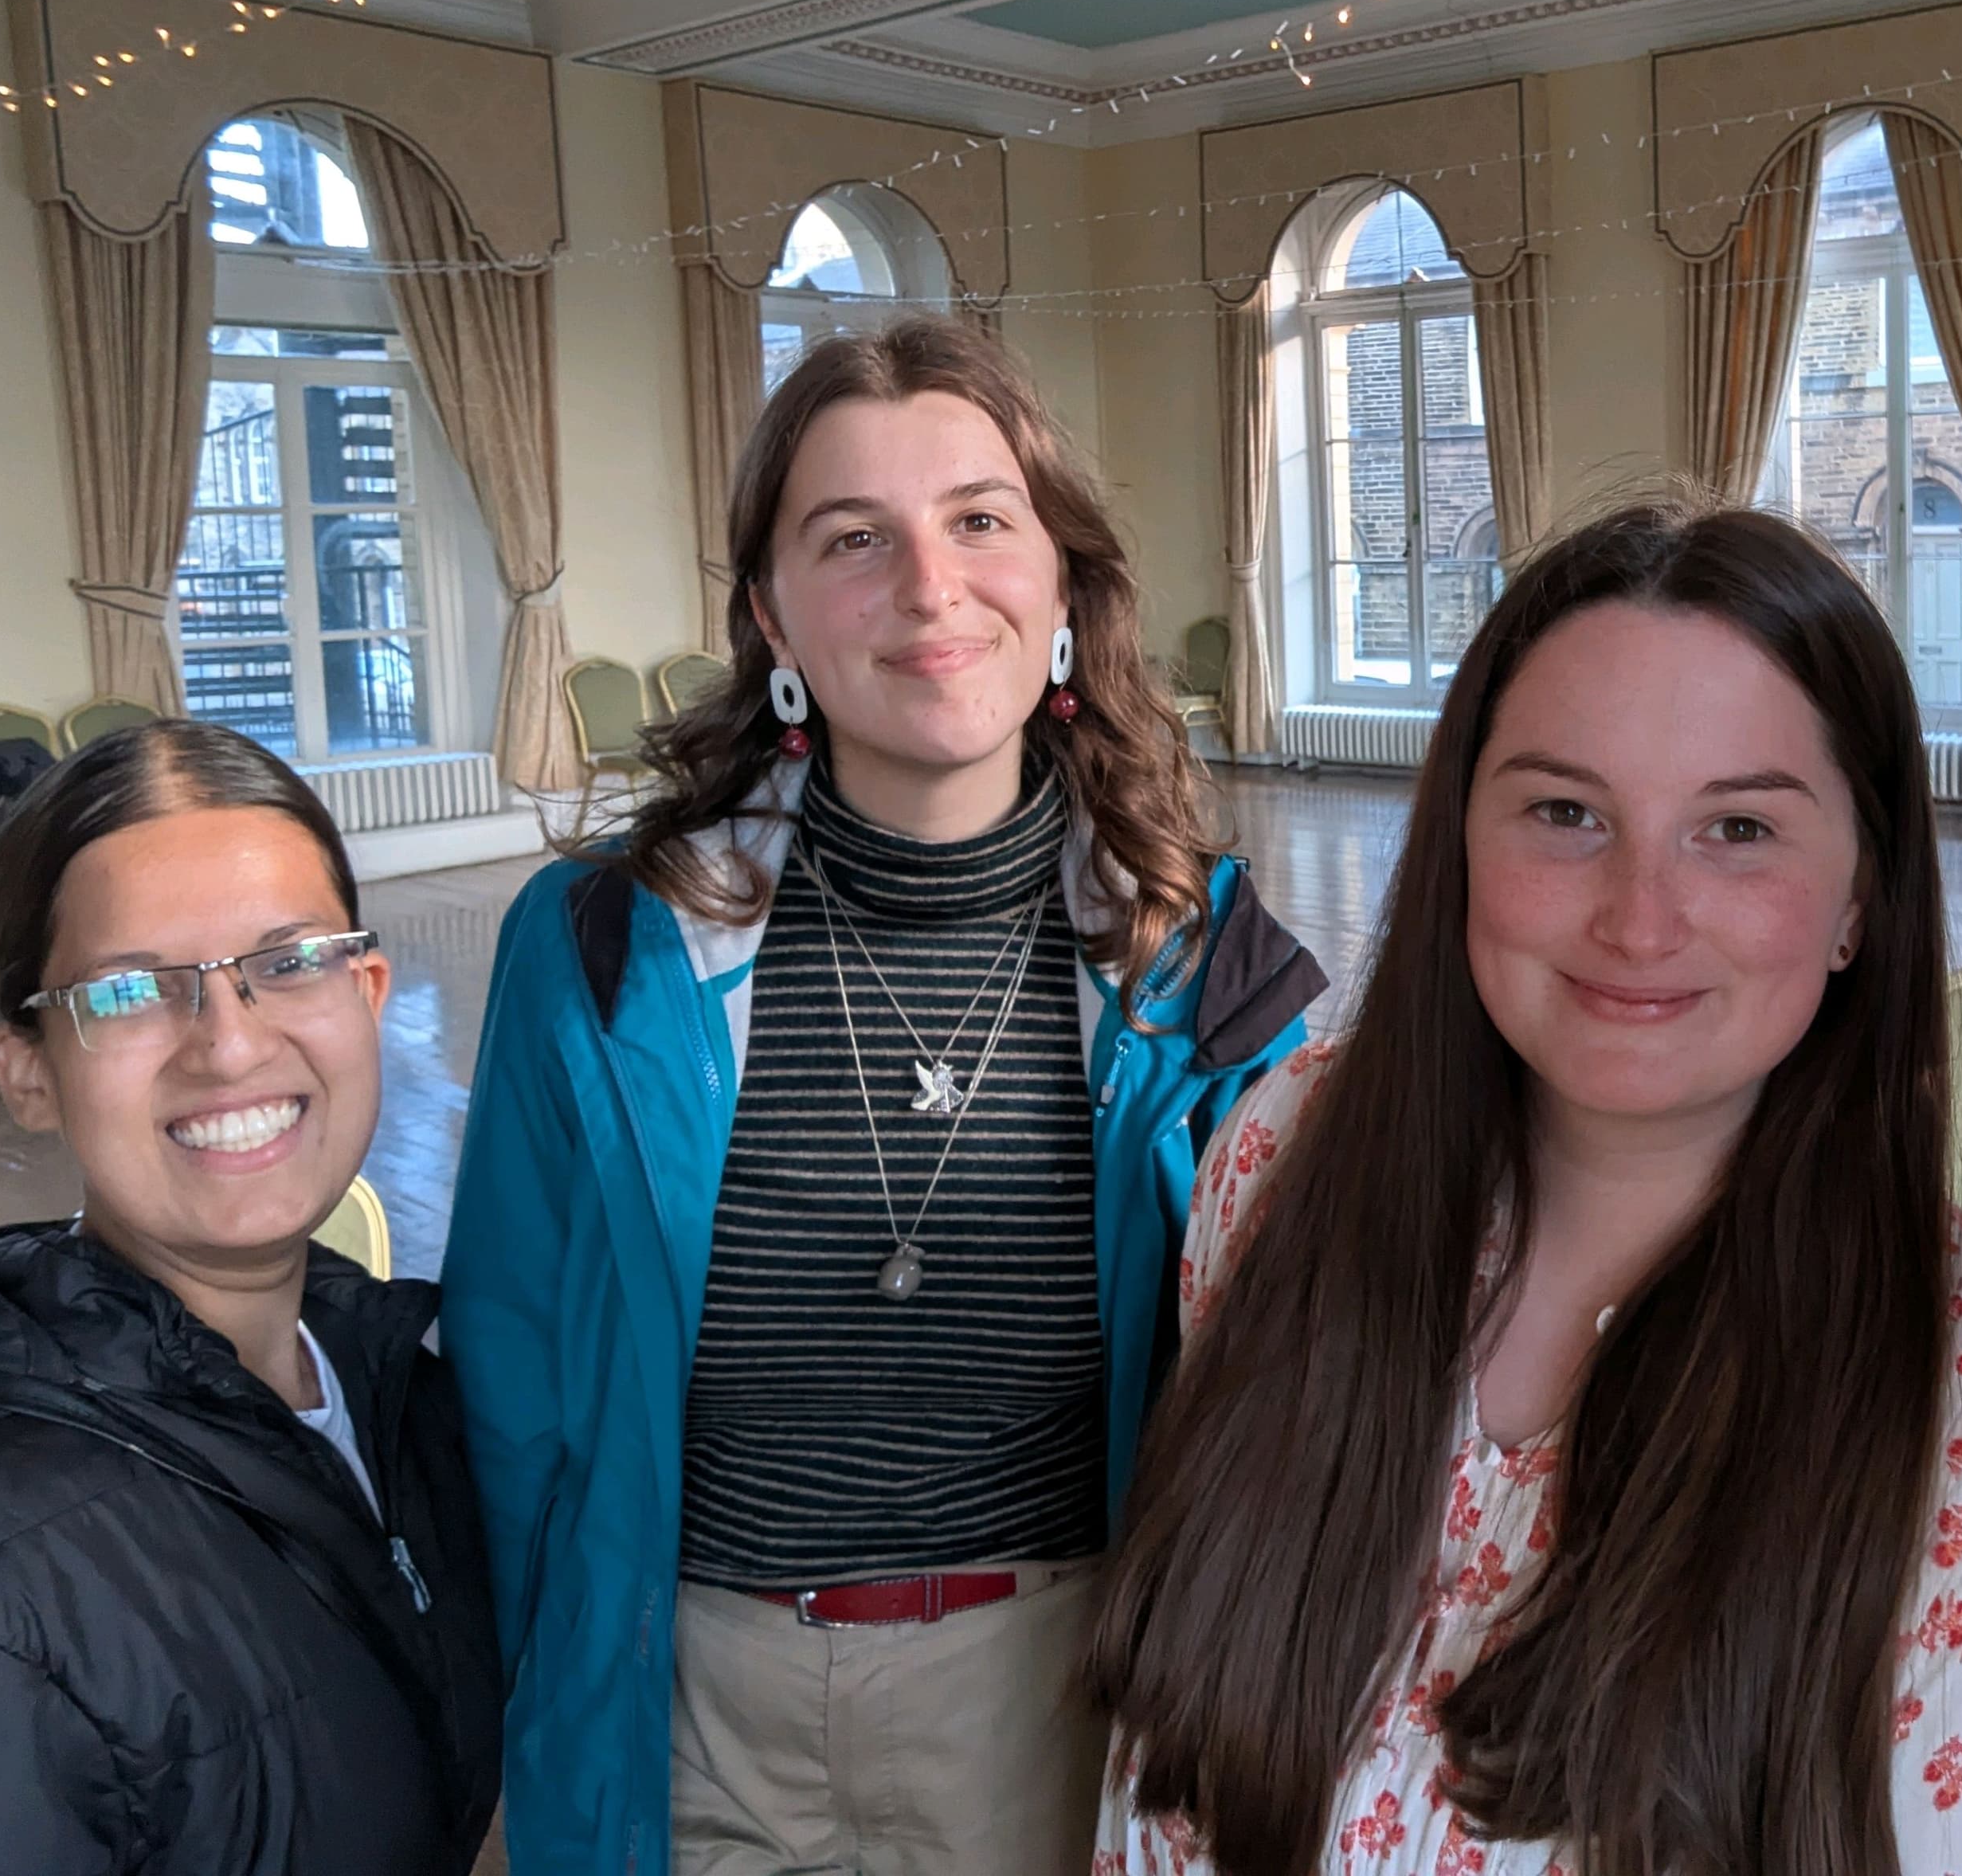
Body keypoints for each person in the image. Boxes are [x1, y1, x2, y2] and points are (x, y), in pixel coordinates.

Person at [1092, 502, 1962, 1876]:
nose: (1639, 917)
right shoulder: (1286, 1156)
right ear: (1458, 839)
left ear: (1861, 900)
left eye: (1736, 829)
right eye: (1563, 811)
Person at [447, 315, 1326, 1876]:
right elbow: (510, 1385)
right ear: (772, 619)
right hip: (684, 1708)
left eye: (981, 521)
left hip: (1049, 1714)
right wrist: (493, 1726)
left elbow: (1285, 1410)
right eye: (853, 538)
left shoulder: (1206, 972)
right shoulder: (593, 948)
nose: (929, 587)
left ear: (1064, 590)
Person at [0, 720, 502, 1874]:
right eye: (130, 990)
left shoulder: (399, 1382)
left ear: (369, 991)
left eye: (292, 960)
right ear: (26, 1069)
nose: (229, 1047)